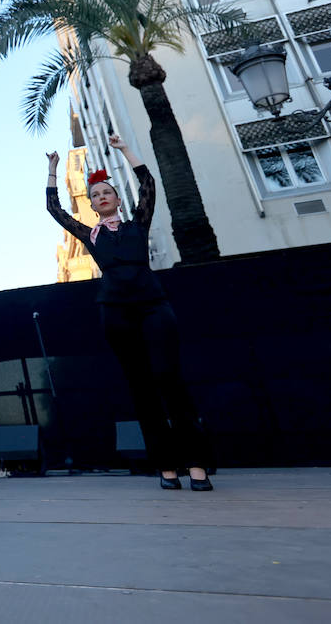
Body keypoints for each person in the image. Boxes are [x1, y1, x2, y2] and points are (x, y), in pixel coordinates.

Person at [45, 135, 213, 492]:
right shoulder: (90, 235)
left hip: (153, 305)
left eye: (107, 192)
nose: (101, 196)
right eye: (95, 195)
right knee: (142, 389)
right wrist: (52, 171)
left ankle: (197, 464)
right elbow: (54, 211)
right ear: (91, 205)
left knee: (170, 380)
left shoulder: (138, 225)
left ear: (117, 199)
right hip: (115, 311)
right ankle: (167, 468)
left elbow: (149, 183)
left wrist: (124, 151)